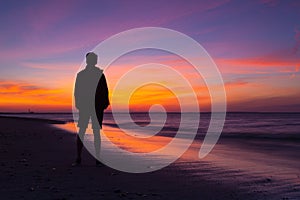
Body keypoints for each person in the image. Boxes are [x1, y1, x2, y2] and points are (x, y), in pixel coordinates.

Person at [73, 52, 109, 166]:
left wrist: (105, 103)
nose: (94, 61)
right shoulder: (81, 75)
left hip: (97, 106)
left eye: (95, 59)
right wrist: (78, 103)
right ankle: (79, 157)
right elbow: (77, 91)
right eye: (93, 59)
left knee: (96, 132)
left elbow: (105, 90)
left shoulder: (99, 74)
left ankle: (97, 158)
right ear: (88, 61)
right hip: (86, 106)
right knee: (82, 131)